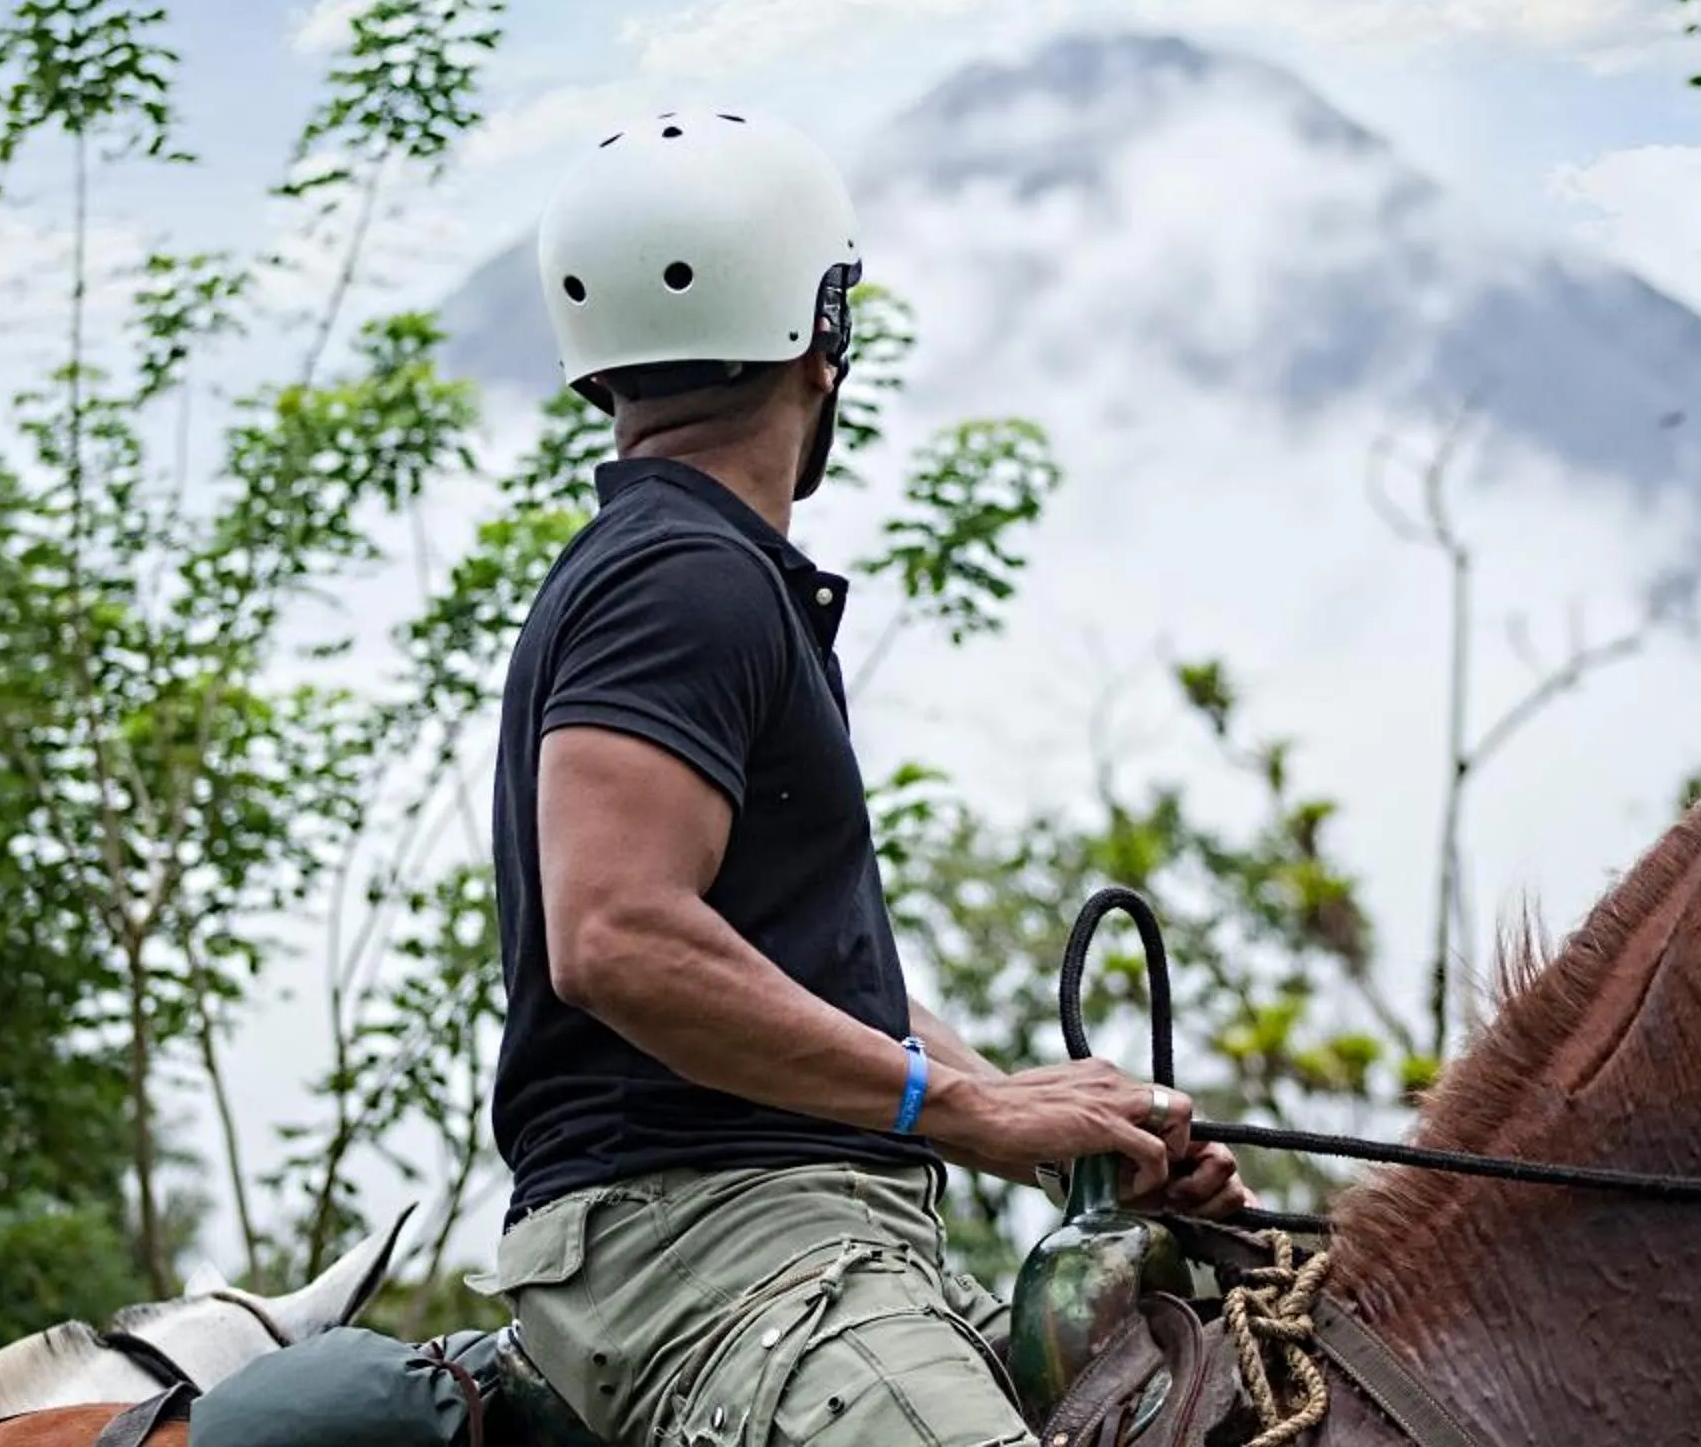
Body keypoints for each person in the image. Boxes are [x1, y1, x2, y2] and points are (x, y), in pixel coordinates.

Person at [478, 113, 1248, 1447]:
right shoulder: (686, 582)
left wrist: (1052, 1115)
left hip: (794, 1241)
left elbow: (807, 982)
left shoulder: (696, 575)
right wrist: (958, 1109)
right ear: (818, 338)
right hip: (710, 1248)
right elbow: (615, 935)